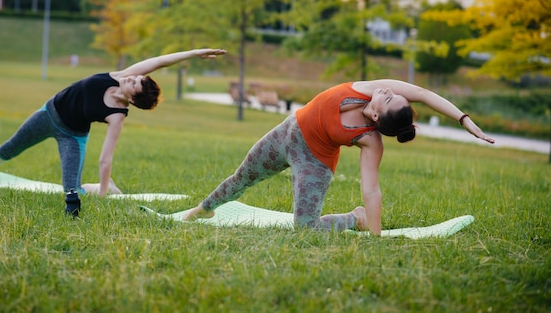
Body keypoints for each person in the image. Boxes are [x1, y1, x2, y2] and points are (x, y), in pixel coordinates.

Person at [183, 79, 495, 235]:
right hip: (286, 133)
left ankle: (353, 219)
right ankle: (203, 209)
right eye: (390, 93)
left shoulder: (371, 140)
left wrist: (375, 233)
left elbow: (371, 188)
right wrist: (466, 121)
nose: (387, 90)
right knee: (242, 177)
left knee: (305, 229)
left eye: (388, 98)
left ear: (377, 115)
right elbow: (425, 94)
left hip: (315, 163)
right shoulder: (369, 88)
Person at [0, 48, 227, 216]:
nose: (131, 77)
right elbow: (160, 61)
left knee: (73, 189)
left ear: (132, 98)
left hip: (73, 136)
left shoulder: (118, 116)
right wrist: (195, 53)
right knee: (11, 147)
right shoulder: (119, 76)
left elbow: (105, 159)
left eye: (135, 84)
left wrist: (104, 191)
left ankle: (109, 190)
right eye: (136, 77)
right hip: (48, 113)